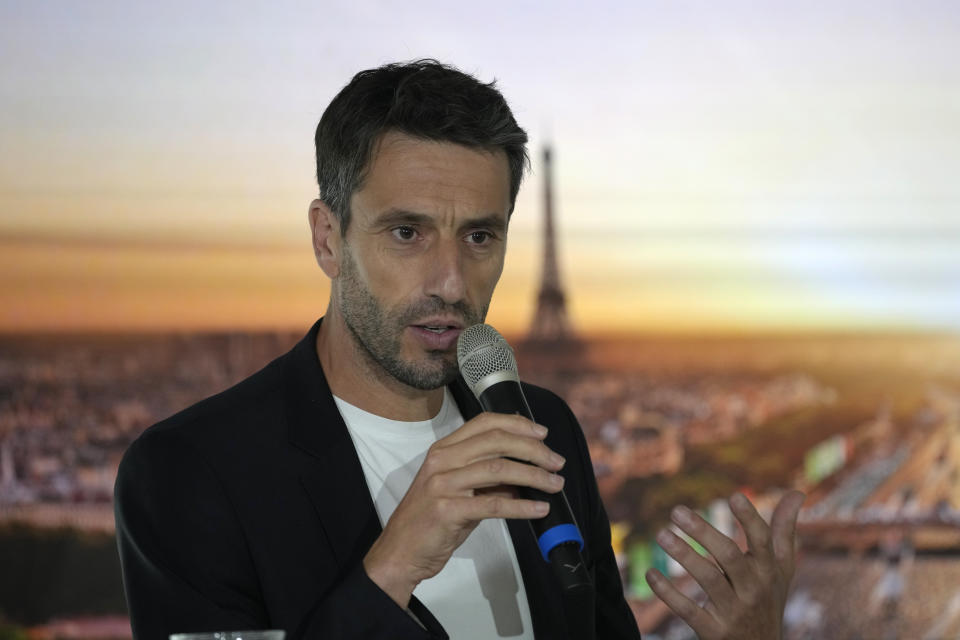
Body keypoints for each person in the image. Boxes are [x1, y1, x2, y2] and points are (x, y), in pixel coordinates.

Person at [114, 60, 802, 640]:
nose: (450, 282)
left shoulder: (545, 429)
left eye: (480, 237)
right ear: (328, 239)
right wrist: (390, 569)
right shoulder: (191, 473)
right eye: (407, 234)